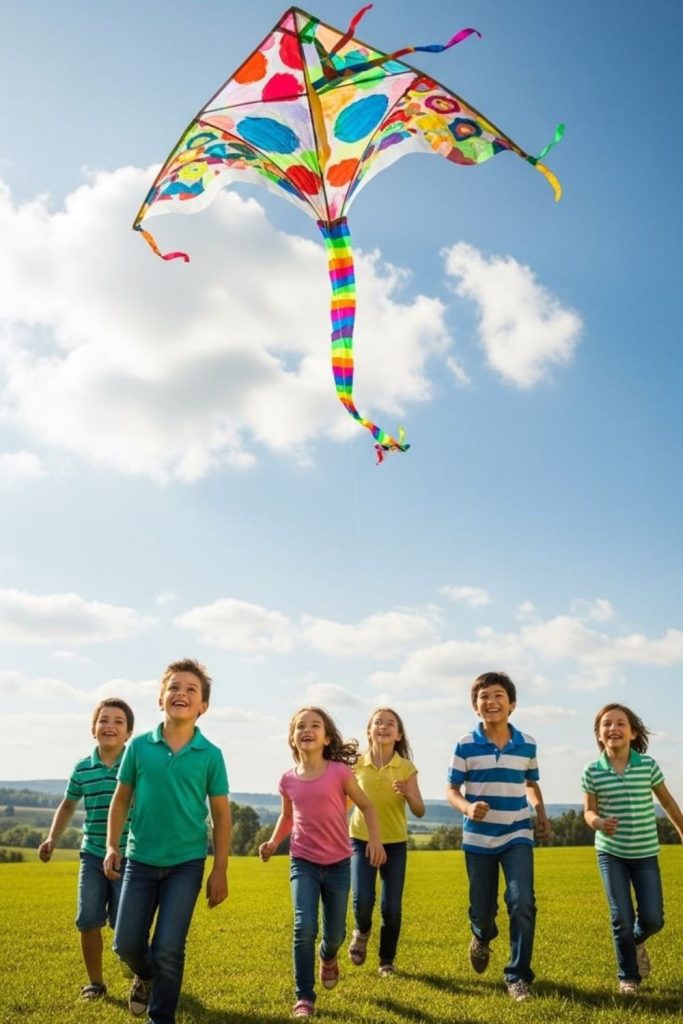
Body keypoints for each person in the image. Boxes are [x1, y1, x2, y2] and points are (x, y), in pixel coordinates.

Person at [104, 658, 230, 1024]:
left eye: (192, 690)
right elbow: (121, 799)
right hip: (140, 859)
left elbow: (222, 816)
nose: (182, 693)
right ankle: (144, 975)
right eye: (174, 687)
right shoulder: (139, 746)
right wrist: (112, 845)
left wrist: (219, 869)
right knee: (125, 943)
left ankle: (162, 1018)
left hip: (186, 863)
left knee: (169, 948)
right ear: (160, 699)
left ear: (203, 706)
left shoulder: (211, 755)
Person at [259, 706, 386, 1019]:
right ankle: (304, 997)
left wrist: (374, 839)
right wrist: (274, 842)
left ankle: (328, 957)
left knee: (335, 936)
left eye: (315, 725)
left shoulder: (339, 773)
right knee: (304, 927)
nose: (307, 730)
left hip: (339, 864)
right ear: (292, 737)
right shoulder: (288, 780)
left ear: (326, 737)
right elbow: (288, 816)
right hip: (302, 861)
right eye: (300, 726)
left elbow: (367, 806)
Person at [446, 671, 551, 1002]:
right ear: (475, 707)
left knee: (522, 901)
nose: (491, 702)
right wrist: (466, 807)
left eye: (498, 696)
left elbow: (531, 783)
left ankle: (518, 976)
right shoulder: (465, 744)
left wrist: (542, 815)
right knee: (482, 909)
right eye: (484, 697)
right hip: (478, 839)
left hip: (517, 832)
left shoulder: (527, 744)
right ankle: (482, 934)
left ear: (512, 704)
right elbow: (451, 789)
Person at [582, 702, 683, 995]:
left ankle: (636, 941)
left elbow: (667, 802)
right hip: (610, 853)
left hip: (645, 853)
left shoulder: (648, 766)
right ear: (599, 735)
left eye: (620, 723)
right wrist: (598, 821)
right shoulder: (592, 771)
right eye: (606, 724)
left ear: (634, 732)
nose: (613, 728)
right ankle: (628, 977)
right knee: (621, 917)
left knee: (653, 918)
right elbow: (588, 812)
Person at [39, 697, 135, 1000]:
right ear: (93, 728)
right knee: (87, 919)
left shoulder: (135, 766)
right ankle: (95, 983)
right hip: (92, 853)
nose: (110, 726)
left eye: (118, 722)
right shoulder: (82, 768)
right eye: (104, 720)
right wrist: (52, 838)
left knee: (127, 924)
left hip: (129, 856)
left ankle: (139, 973)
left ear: (128, 733)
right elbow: (67, 806)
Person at [348, 707, 425, 977]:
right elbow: (343, 802)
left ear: (399, 734)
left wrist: (407, 793)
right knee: (362, 900)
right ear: (369, 731)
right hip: (360, 839)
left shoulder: (405, 767)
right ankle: (362, 931)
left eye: (390, 723)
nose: (383, 726)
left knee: (391, 907)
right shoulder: (356, 763)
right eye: (377, 722)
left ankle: (386, 962)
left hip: (394, 843)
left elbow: (419, 810)